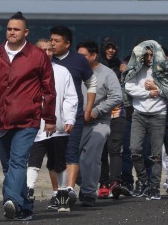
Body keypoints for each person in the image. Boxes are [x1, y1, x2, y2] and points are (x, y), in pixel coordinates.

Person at [0, 12, 56, 221]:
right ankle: (25, 208)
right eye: (9, 29)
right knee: (9, 166)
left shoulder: (37, 56)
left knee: (17, 162)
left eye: (16, 29)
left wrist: (49, 118)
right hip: (2, 118)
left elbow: (49, 89)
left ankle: (11, 200)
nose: (12, 32)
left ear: (26, 32)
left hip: (27, 119)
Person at [122, 40, 168, 201]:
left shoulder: (165, 70)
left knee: (156, 155)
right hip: (138, 114)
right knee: (134, 150)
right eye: (145, 54)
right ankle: (143, 180)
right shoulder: (134, 69)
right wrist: (147, 92)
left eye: (151, 54)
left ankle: (154, 187)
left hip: (158, 115)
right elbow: (128, 87)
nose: (148, 58)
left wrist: (157, 88)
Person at [49, 26, 96, 207]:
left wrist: (88, 108)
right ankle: (56, 192)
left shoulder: (79, 61)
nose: (52, 44)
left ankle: (69, 190)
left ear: (67, 44)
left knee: (71, 152)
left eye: (57, 41)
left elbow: (91, 82)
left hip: (74, 114)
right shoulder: (45, 59)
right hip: (50, 117)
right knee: (53, 156)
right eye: (51, 40)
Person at [26, 49, 77, 212]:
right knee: (33, 161)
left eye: (49, 49)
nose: (47, 52)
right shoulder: (28, 69)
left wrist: (69, 118)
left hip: (58, 125)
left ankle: (62, 197)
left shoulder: (62, 71)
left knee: (58, 163)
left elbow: (70, 97)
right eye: (43, 49)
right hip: (34, 125)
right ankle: (28, 195)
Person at [77, 40, 122, 207]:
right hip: (77, 122)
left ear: (94, 56)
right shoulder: (75, 72)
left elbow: (117, 97)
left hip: (99, 122)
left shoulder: (107, 73)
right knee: (72, 160)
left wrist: (96, 111)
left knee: (91, 158)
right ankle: (83, 185)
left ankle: (88, 193)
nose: (79, 59)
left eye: (83, 56)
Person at [98, 37, 126, 197]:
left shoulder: (122, 66)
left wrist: (126, 71)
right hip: (100, 114)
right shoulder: (97, 67)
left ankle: (115, 182)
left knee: (115, 150)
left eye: (113, 48)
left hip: (118, 114)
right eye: (107, 47)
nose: (110, 50)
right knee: (101, 150)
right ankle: (103, 183)